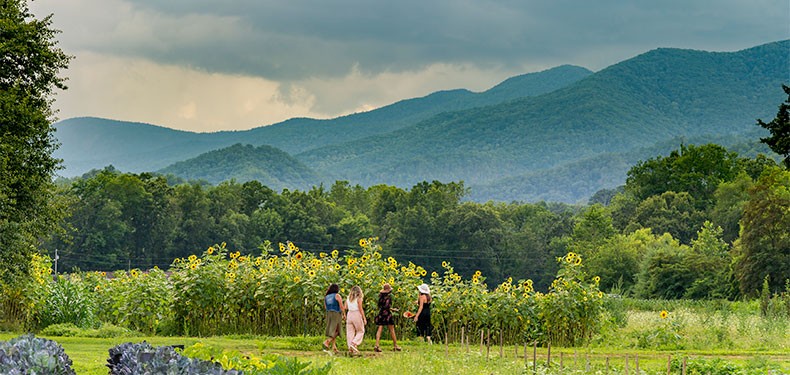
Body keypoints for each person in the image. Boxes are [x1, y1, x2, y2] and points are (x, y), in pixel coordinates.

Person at [373, 283, 402, 352]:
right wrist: (392, 309)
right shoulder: (388, 298)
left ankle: (377, 345)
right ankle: (395, 345)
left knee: (379, 329)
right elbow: (387, 307)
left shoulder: (380, 298)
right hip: (387, 315)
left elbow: (382, 307)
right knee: (392, 330)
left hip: (381, 313)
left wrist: (392, 309)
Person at [322, 283, 345, 353]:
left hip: (329, 313)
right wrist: (344, 314)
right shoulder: (337, 295)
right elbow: (341, 305)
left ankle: (334, 347)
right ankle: (327, 341)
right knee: (337, 330)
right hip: (336, 313)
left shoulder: (326, 297)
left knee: (333, 329)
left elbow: (325, 307)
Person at [345, 285, 366, 355]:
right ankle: (354, 343)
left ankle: (351, 348)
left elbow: (345, 307)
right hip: (356, 314)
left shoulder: (348, 298)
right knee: (360, 331)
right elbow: (360, 309)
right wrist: (364, 317)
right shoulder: (358, 298)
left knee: (350, 332)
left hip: (349, 314)